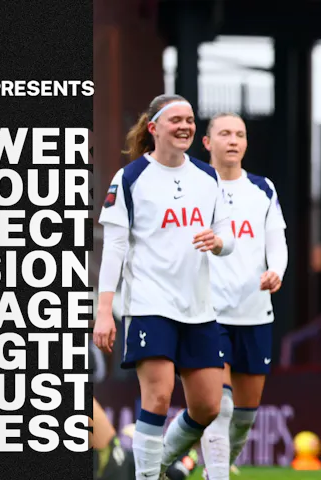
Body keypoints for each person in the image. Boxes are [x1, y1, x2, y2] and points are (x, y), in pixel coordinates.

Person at [93, 94, 235, 480]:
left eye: (190, 120)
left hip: (199, 309)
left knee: (208, 406)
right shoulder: (130, 178)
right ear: (154, 128)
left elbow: (227, 234)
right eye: (176, 120)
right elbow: (115, 249)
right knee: (157, 396)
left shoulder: (207, 177)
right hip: (149, 305)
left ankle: (152, 466)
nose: (185, 126)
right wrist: (105, 311)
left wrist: (219, 243)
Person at [184, 112, 288, 479]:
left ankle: (188, 462)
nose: (233, 140)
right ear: (207, 142)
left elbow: (277, 242)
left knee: (245, 415)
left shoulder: (263, 188)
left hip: (254, 312)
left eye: (240, 134)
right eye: (224, 133)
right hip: (208, 313)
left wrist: (276, 271)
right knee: (221, 406)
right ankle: (215, 475)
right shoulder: (193, 186)